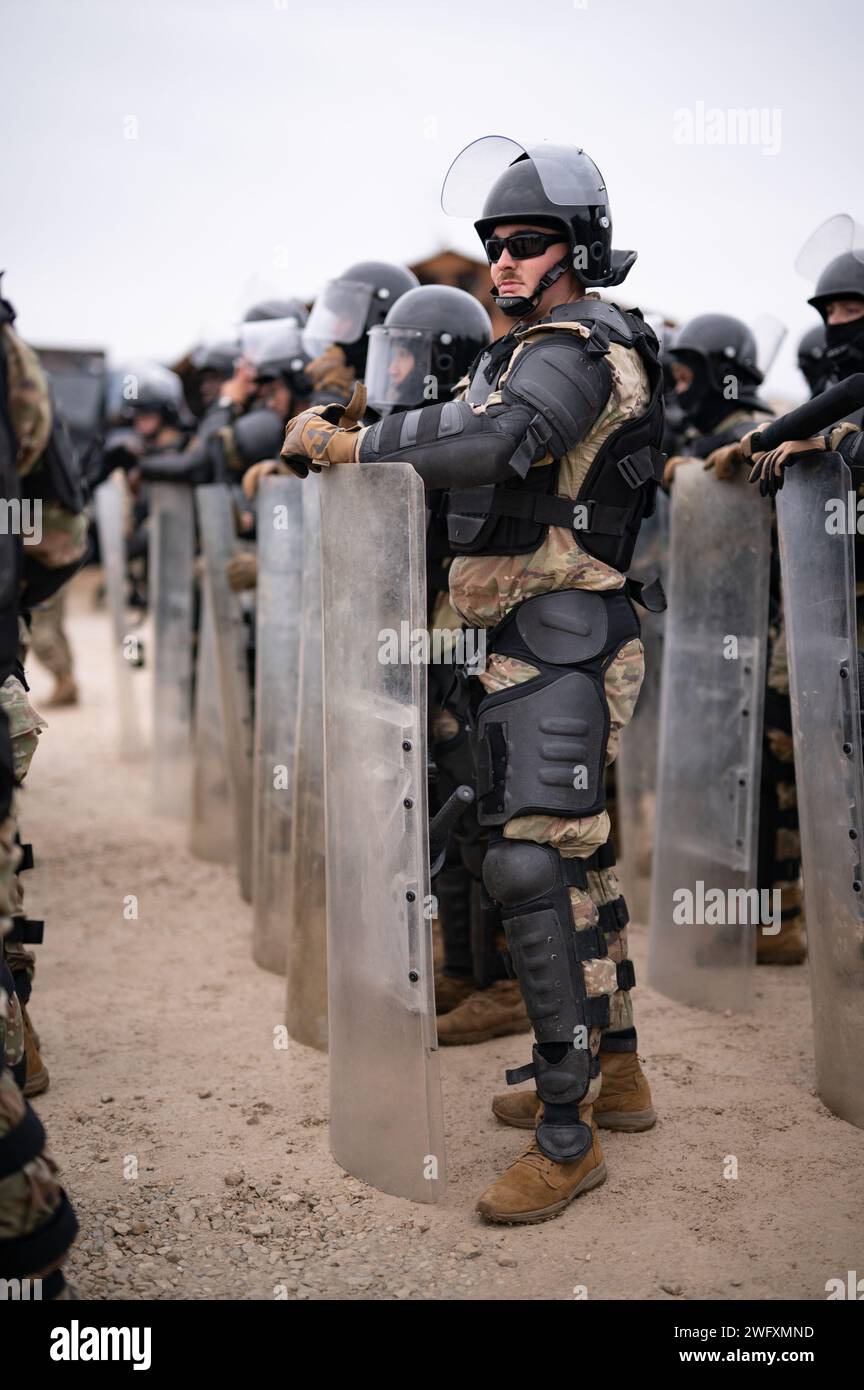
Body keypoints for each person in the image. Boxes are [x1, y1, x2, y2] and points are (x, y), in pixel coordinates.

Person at [252, 138, 665, 1224]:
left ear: (577, 248)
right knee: (567, 862)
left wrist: (357, 443)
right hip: (518, 636)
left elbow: (498, 442)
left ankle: (570, 1136)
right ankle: (611, 1070)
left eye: (527, 242)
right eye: (494, 244)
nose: (505, 260)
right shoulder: (524, 346)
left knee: (533, 866)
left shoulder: (577, 346)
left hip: (564, 631)